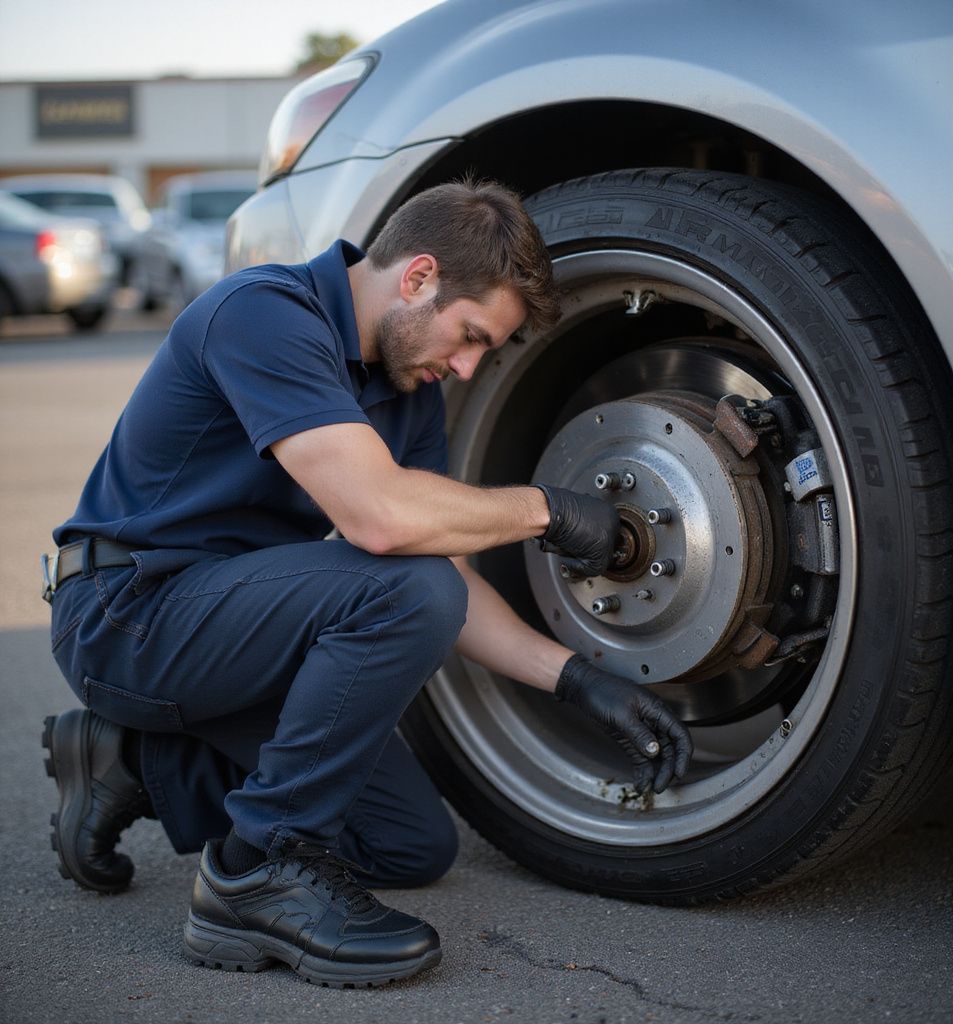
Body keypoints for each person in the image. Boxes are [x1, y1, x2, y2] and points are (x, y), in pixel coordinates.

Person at [41, 179, 693, 989]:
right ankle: (255, 874)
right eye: (470, 335)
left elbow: (446, 568)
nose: (465, 364)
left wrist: (577, 681)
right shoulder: (264, 314)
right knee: (403, 589)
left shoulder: (404, 389)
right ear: (417, 277)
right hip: (126, 614)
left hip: (229, 636)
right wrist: (549, 512)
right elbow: (382, 524)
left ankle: (132, 760)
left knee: (410, 845)